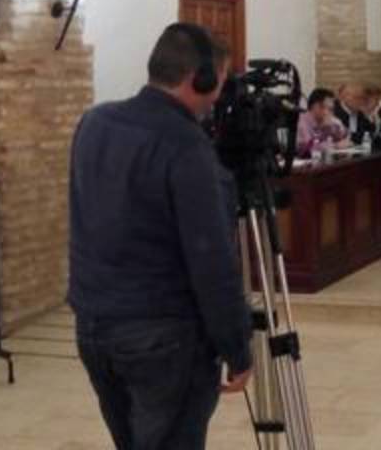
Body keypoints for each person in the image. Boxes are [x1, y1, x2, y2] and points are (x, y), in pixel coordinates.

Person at [68, 23, 251, 449]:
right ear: (199, 78)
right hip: (163, 335)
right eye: (220, 80)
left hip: (94, 325)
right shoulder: (185, 144)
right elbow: (211, 261)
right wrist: (236, 346)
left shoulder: (94, 122)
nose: (219, 94)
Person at [297, 87, 348, 158]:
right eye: (329, 109)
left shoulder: (328, 121)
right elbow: (307, 148)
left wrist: (337, 126)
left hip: (324, 161)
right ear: (316, 106)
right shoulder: (302, 122)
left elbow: (344, 137)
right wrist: (334, 145)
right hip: (306, 162)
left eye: (331, 109)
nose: (330, 112)